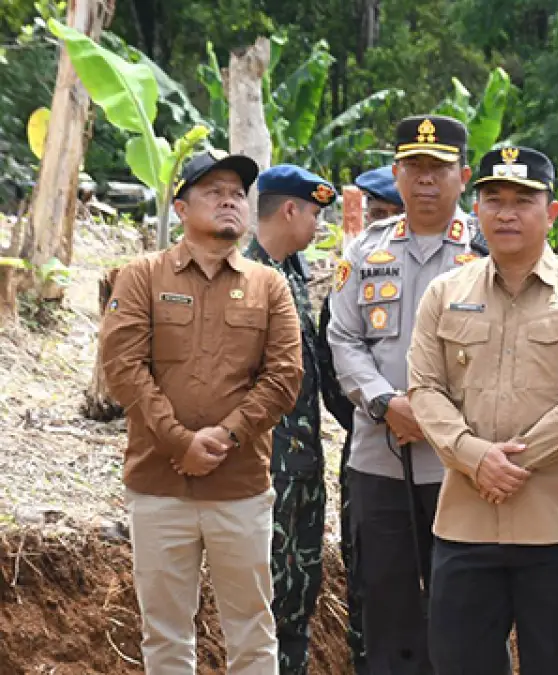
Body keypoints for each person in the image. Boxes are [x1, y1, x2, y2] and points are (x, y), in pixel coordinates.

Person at [408, 145, 558, 675]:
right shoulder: (444, 292)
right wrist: (474, 457)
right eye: (493, 199)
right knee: (459, 662)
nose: (506, 212)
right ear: (476, 210)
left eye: (522, 201)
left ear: (550, 212)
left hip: (555, 524)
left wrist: (512, 462)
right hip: (465, 520)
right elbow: (424, 389)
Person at [100, 149, 304, 673]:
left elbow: (284, 378)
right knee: (165, 634)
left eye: (237, 193)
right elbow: (124, 369)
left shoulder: (269, 285)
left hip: (239, 488)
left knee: (253, 632)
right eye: (214, 191)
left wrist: (226, 438)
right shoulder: (142, 276)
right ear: (182, 206)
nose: (230, 201)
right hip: (158, 485)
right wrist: (179, 442)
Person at [326, 116, 482, 675]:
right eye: (414, 167)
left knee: (463, 608)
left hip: (462, 464)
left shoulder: (489, 252)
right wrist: (383, 402)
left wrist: (437, 418)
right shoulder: (365, 250)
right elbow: (342, 336)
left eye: (438, 168)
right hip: (380, 456)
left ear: (462, 176)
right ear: (396, 174)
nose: (425, 181)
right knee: (386, 603)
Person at [242, 164, 337, 674]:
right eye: (315, 214)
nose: (319, 226)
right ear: (290, 209)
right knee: (267, 596)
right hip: (266, 467)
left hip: (303, 466)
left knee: (301, 591)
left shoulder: (293, 274)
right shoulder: (246, 278)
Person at [315, 163, 406, 672]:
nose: (379, 224)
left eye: (387, 213)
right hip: (371, 446)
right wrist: (378, 413)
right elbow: (335, 367)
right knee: (373, 585)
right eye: (374, 213)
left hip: (453, 457)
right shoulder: (356, 269)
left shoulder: (467, 261)